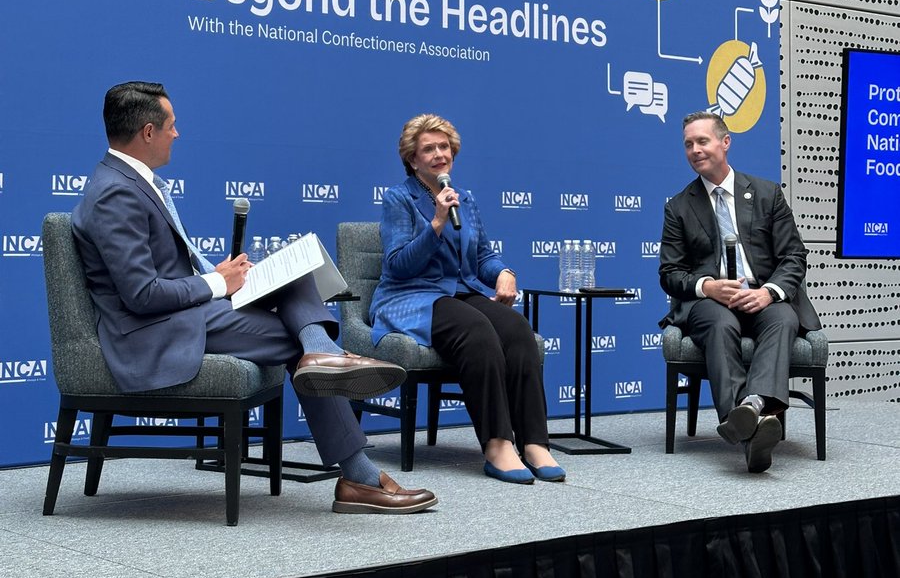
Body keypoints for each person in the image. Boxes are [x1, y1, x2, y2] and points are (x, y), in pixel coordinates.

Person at [71, 81, 438, 514]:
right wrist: (217, 285)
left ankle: (322, 355)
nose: (178, 134)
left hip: (186, 313)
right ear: (148, 132)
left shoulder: (130, 182)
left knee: (295, 275)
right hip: (155, 332)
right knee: (295, 342)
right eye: (172, 126)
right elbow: (141, 295)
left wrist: (221, 275)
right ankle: (356, 469)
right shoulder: (116, 192)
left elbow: (165, 272)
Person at [369, 113, 565, 484]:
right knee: (477, 331)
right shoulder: (399, 199)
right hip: (411, 298)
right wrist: (437, 223)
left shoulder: (466, 199)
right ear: (413, 160)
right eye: (429, 149)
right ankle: (497, 444)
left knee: (517, 329)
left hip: (460, 293)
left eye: (445, 147)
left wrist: (505, 273)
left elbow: (482, 257)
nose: (439, 154)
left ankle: (535, 442)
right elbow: (398, 265)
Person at [658, 111, 821, 473]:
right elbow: (669, 273)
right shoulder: (679, 207)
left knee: (783, 316)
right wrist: (708, 287)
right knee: (719, 323)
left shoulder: (766, 194)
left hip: (761, 297)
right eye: (688, 144)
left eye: (702, 141)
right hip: (709, 304)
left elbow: (793, 255)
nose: (695, 150)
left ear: (725, 142)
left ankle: (751, 409)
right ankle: (752, 424)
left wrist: (770, 292)